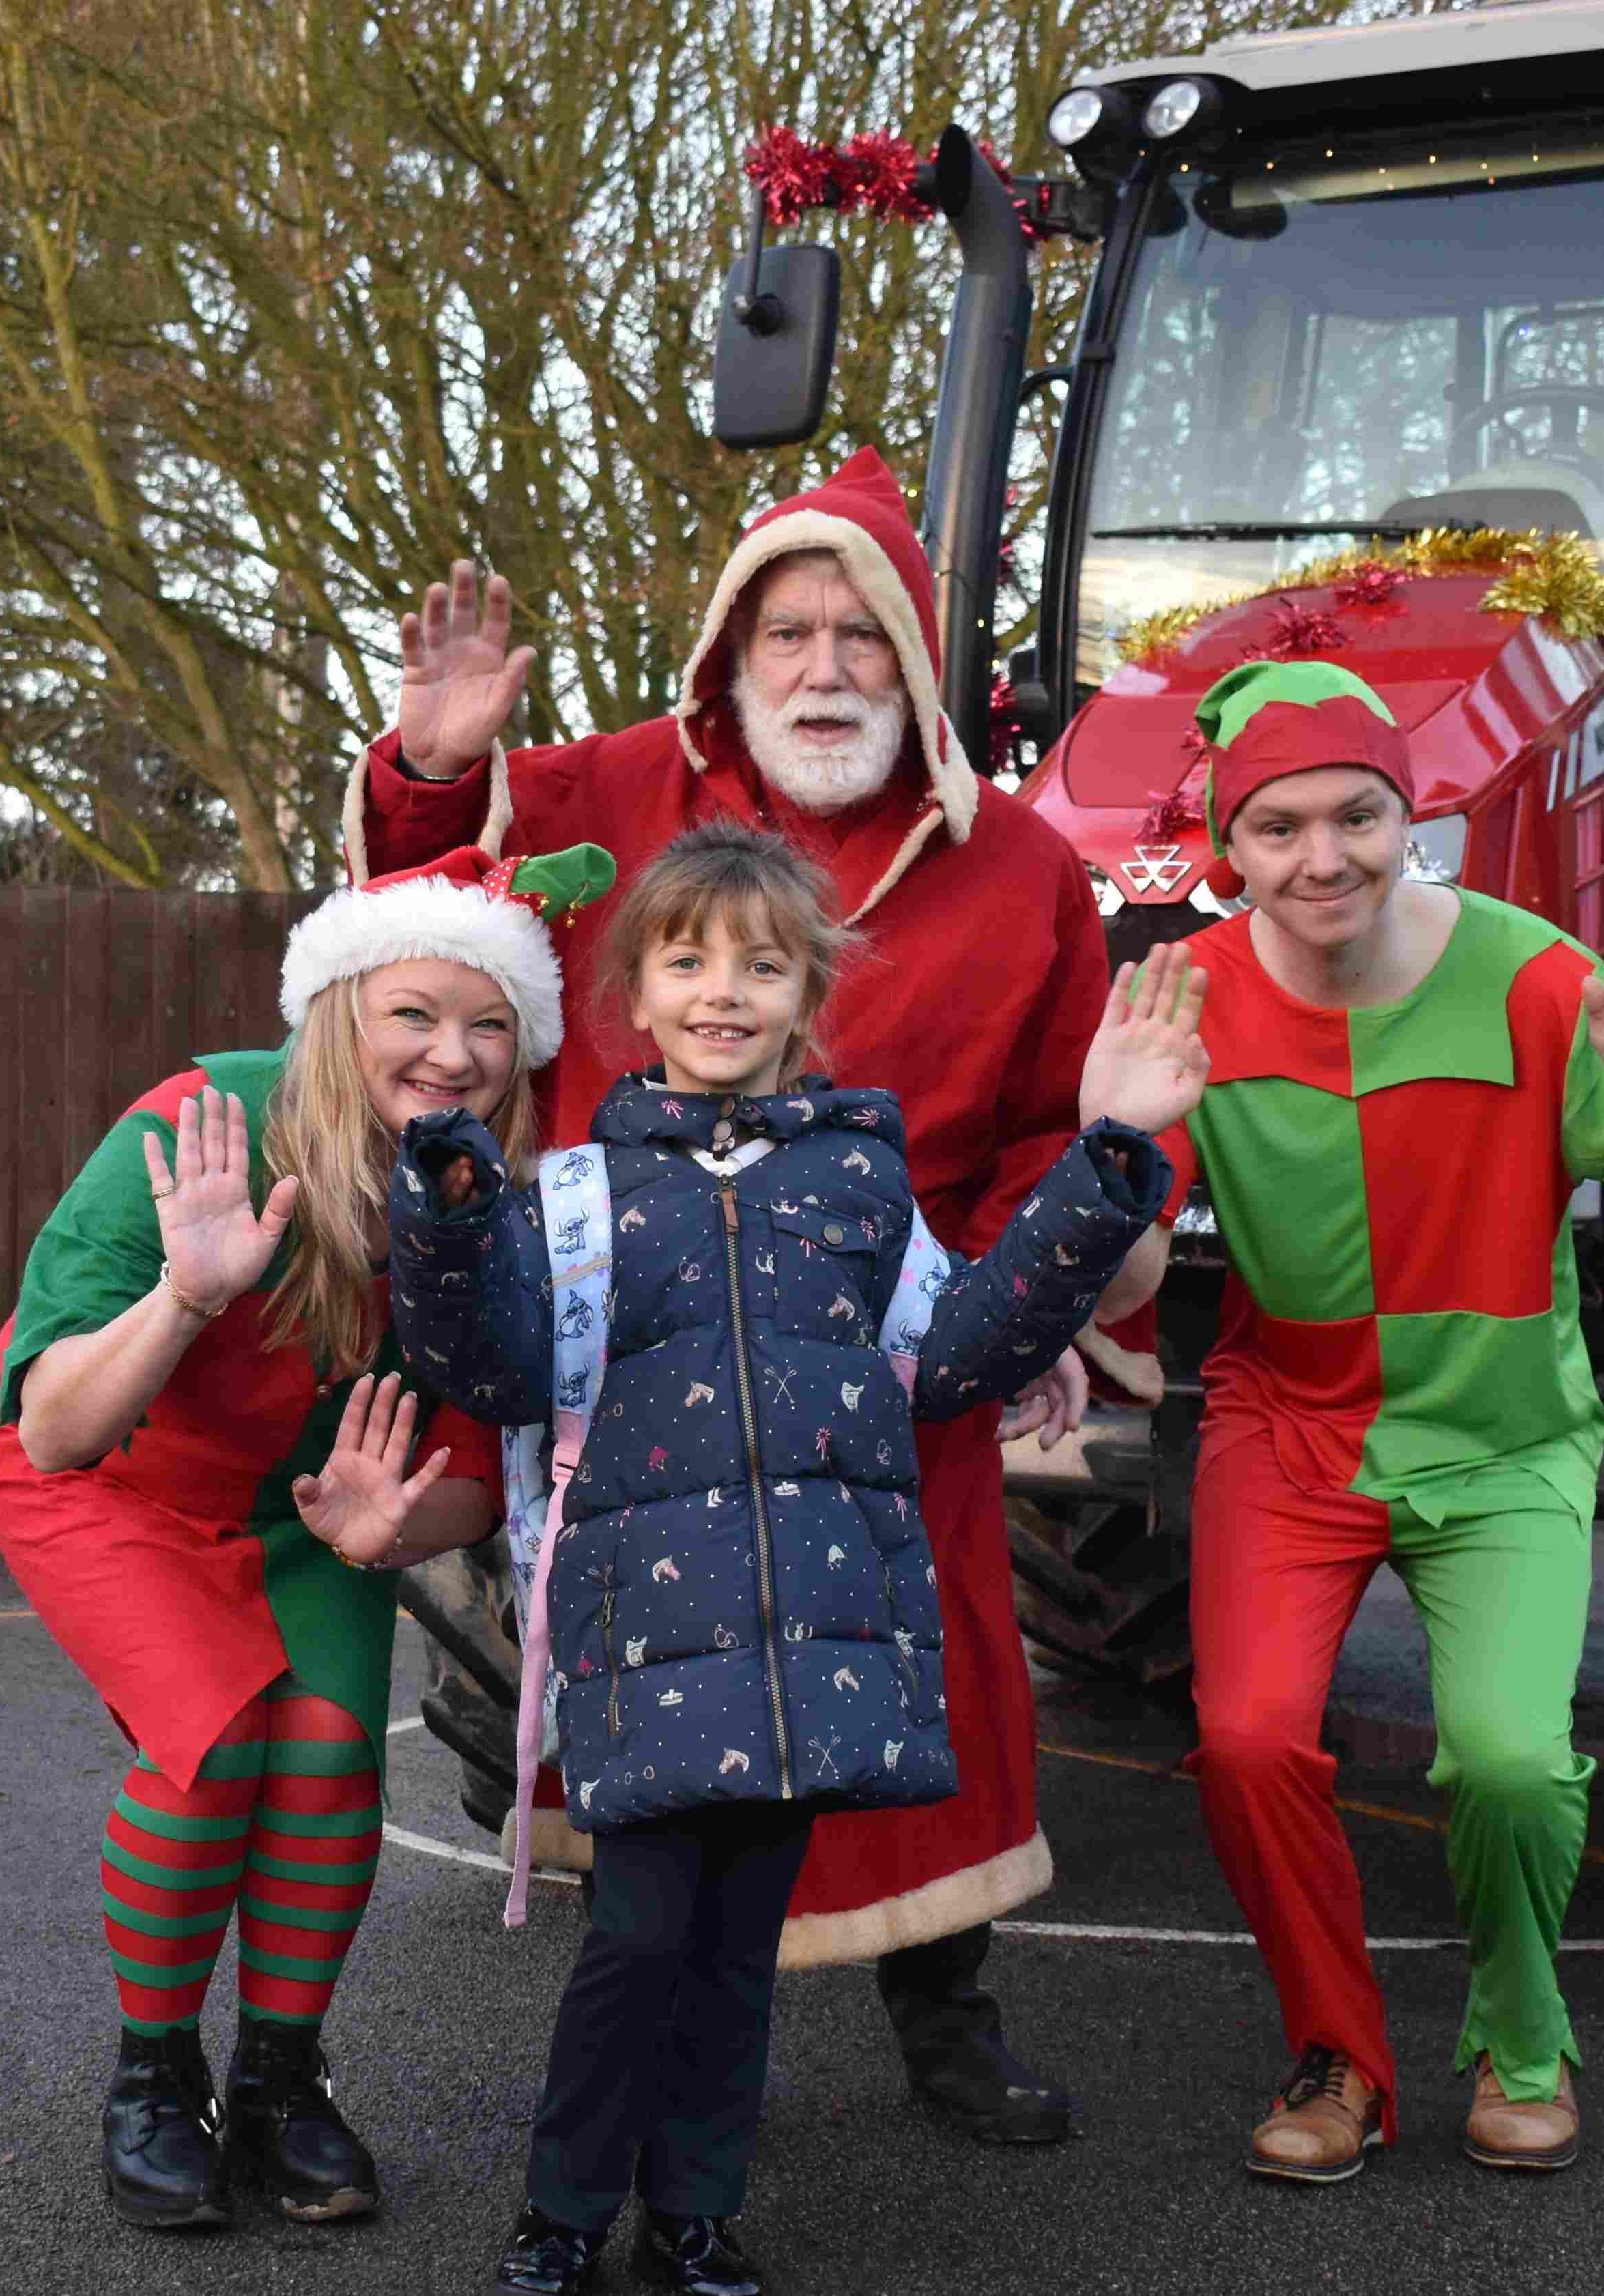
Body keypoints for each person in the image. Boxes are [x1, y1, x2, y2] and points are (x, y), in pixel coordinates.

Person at [354, 447, 1117, 2142]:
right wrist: (431, 762)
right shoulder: (606, 792)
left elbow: (1061, 1119)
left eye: (862, 635)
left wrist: (1018, 1314)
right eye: (789, 632)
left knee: (944, 1667)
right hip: (641, 1355)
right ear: (732, 651)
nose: (825, 667)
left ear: (918, 659)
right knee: (657, 1698)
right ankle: (640, 2082)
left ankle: (949, 2012)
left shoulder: (1027, 868)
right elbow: (425, 921)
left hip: (893, 1355)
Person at [334, 822, 1198, 2296]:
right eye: (688, 959)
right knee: (635, 1941)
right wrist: (446, 1212)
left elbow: (953, 1358)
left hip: (812, 1635)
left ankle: (694, 2216)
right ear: (639, 992)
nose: (723, 988)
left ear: (806, 993)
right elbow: (490, 1368)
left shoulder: (862, 1185)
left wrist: (1112, 1158)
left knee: (738, 1954)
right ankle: (560, 2214)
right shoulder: (575, 1192)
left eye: (762, 962)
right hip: (648, 1637)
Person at [1086, 659, 1604, 2183]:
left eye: (1359, 813)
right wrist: (1112, 1149)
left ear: (1414, 816)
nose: (1322, 856)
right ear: (1228, 845)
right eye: (1277, 827)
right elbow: (1129, 1287)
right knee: (1248, 1736)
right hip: (1293, 1420)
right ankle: (1338, 2053)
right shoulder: (1186, 997)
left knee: (1510, 1759)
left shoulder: (1533, 975)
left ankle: (1522, 2033)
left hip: (1506, 1426)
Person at [0, 839, 614, 2232]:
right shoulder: (201, 1121)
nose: (455, 1052)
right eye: (416, 1014)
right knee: (213, 1745)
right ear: (339, 1014)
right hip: (118, 1477)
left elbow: (490, 1468)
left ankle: (278, 2080)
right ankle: (154, 2081)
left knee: (324, 1757)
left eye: (490, 1022)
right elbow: (57, 1430)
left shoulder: (505, 1199)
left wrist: (396, 1525)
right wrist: (188, 1299)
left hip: (320, 1507)